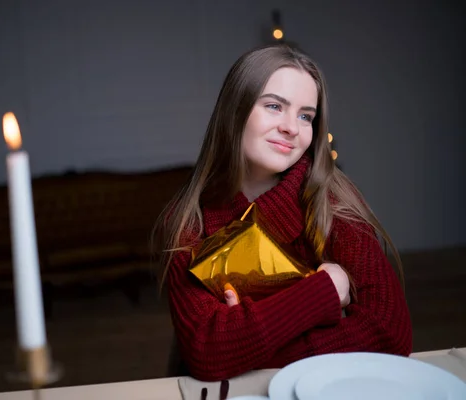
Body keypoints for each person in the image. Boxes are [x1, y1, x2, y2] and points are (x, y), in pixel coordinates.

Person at [154, 44, 412, 382]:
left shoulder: (333, 202)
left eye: (306, 116)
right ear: (236, 111)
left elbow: (390, 333)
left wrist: (251, 345)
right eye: (275, 106)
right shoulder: (189, 220)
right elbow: (207, 352)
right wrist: (324, 292)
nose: (292, 127)